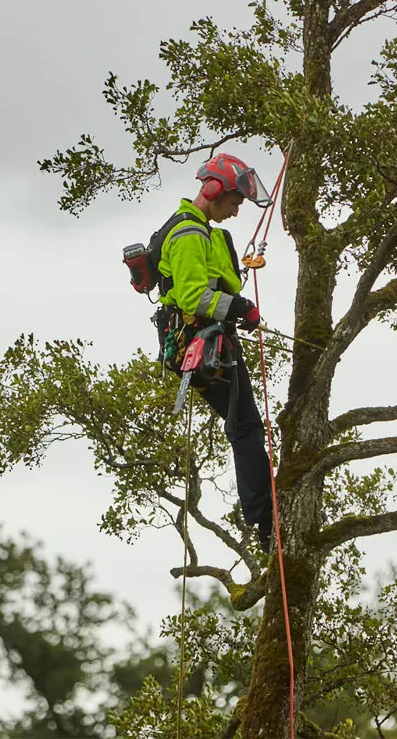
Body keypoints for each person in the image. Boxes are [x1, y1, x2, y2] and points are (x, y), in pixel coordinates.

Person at [153, 152, 275, 552]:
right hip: (200, 343)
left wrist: (236, 306)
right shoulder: (189, 233)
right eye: (235, 202)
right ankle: (266, 521)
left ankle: (264, 514)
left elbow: (211, 287)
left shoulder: (202, 231)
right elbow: (193, 296)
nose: (236, 211)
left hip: (204, 340)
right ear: (212, 190)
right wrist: (240, 307)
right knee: (246, 426)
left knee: (245, 424)